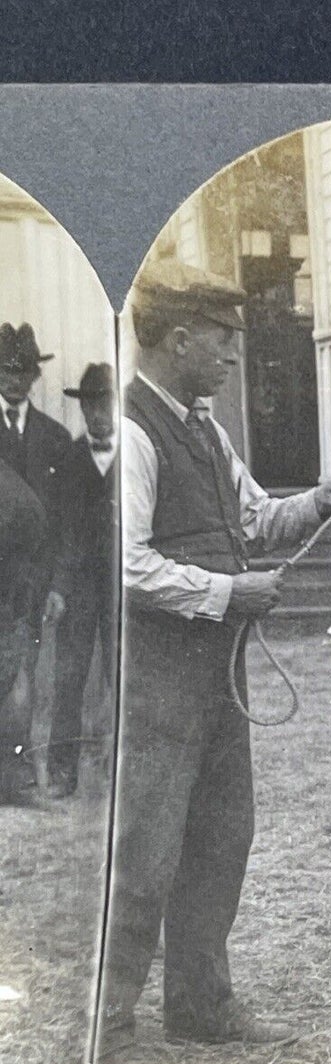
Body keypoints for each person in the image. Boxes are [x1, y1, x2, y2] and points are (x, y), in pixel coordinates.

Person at [97, 259, 331, 1064]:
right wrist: (227, 592)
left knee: (223, 837)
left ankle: (198, 1003)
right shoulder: (135, 430)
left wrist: (325, 498)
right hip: (152, 681)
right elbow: (127, 566)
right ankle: (108, 1038)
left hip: (217, 678)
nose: (230, 357)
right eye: (221, 342)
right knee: (143, 853)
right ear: (178, 338)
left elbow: (255, 517)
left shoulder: (206, 429)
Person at [0, 322, 72, 797]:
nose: (16, 379)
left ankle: (18, 770)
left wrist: (58, 585)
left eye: (24, 370)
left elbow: (67, 523)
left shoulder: (56, 437)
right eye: (7, 369)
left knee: (24, 670)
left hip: (35, 580)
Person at [46, 363, 118, 798]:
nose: (97, 413)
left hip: (124, 585)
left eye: (105, 403)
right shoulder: (69, 458)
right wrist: (57, 587)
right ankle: (61, 772)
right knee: (68, 678)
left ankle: (126, 767)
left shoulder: (135, 456)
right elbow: (59, 530)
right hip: (78, 588)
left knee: (123, 674)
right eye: (90, 404)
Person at [0, 457, 45, 805]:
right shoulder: (14, 483)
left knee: (14, 682)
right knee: (15, 679)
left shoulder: (11, 487)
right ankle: (14, 776)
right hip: (15, 596)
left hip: (10, 596)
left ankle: (13, 777)